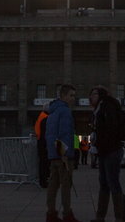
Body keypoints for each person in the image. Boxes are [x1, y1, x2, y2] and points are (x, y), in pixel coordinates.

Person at [89, 85, 125, 222]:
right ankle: (100, 217)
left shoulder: (107, 107)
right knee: (104, 184)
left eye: (94, 94)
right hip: (104, 151)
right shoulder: (99, 109)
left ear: (101, 95)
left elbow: (111, 129)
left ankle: (119, 217)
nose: (91, 96)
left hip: (111, 150)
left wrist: (100, 142)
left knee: (113, 183)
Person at [43, 84, 80, 222]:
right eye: (71, 95)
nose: (73, 98)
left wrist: (54, 152)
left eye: (74, 96)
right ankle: (67, 214)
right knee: (66, 185)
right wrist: (63, 153)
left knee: (53, 184)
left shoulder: (52, 111)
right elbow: (63, 133)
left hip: (53, 155)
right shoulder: (65, 111)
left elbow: (50, 134)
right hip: (63, 155)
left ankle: (51, 213)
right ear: (63, 96)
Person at [34, 108, 50, 188]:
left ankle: (43, 180)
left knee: (42, 162)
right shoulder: (45, 118)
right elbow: (46, 133)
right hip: (44, 144)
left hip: (40, 142)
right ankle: (44, 181)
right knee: (44, 163)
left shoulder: (41, 116)